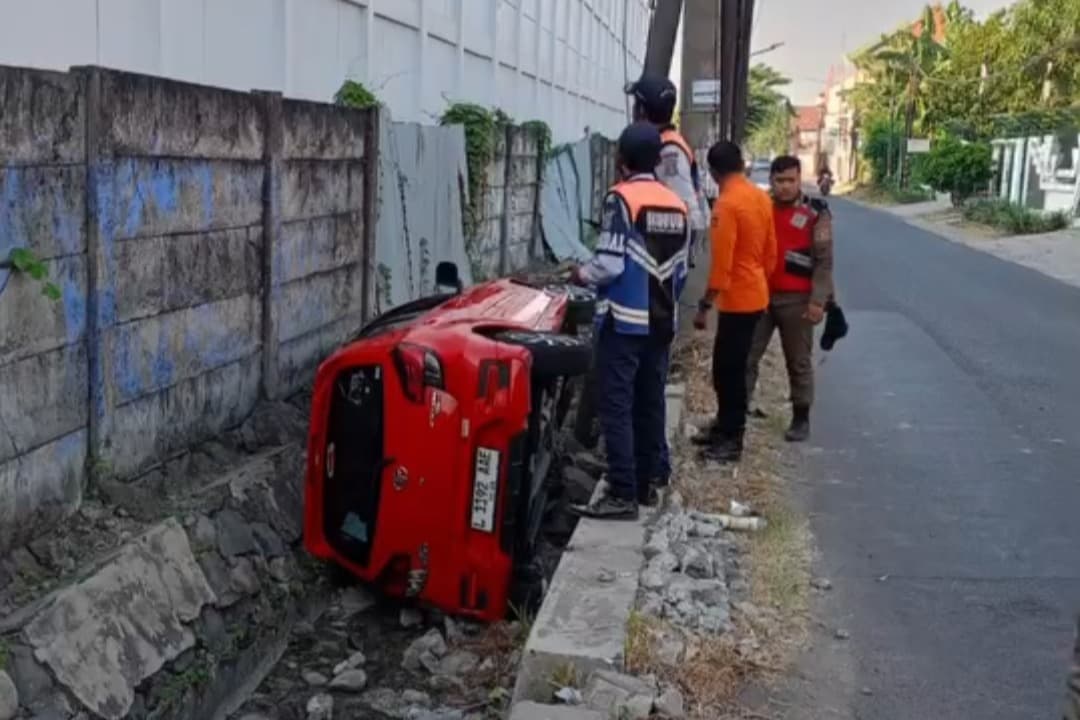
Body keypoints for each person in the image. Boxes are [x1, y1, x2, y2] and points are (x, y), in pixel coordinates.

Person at [569, 122, 690, 520]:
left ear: (621, 159)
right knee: (650, 399)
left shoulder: (621, 199)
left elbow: (608, 262)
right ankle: (651, 479)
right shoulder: (677, 203)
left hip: (624, 321)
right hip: (661, 321)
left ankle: (622, 491)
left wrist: (580, 274)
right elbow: (682, 270)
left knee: (616, 405)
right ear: (658, 159)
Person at [624, 73, 708, 487]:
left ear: (642, 108)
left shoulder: (667, 152)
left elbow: (690, 214)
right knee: (647, 376)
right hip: (656, 273)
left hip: (653, 277)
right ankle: (651, 464)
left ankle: (648, 469)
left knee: (645, 379)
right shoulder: (667, 145)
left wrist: (660, 259)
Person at [691, 141, 776, 463]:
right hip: (755, 294)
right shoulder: (758, 197)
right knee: (731, 369)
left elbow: (722, 266)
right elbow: (771, 253)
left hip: (738, 300)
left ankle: (731, 438)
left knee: (728, 371)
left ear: (712, 172)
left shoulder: (726, 205)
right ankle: (724, 427)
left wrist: (704, 305)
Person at [745, 155, 834, 442]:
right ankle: (739, 411)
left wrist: (818, 301)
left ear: (799, 180)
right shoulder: (759, 208)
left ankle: (800, 418)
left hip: (797, 299)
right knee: (747, 356)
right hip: (759, 296)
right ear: (771, 181)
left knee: (798, 361)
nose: (785, 187)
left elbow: (823, 262)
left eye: (791, 181)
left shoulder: (816, 213)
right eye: (779, 180)